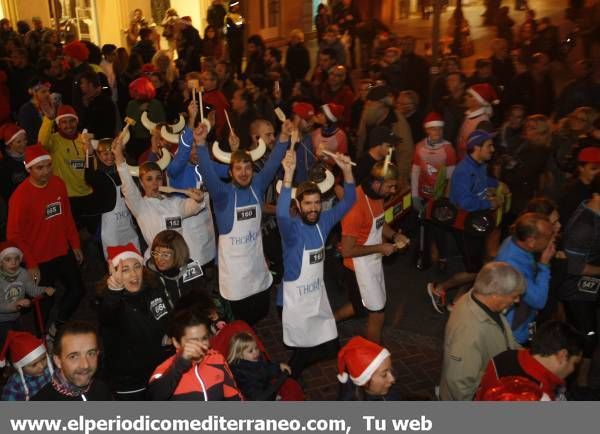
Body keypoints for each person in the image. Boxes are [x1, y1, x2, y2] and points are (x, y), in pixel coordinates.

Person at [196, 118, 288, 325]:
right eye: (238, 168)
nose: (244, 173)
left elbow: (273, 162)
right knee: (239, 321)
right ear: (230, 172)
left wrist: (283, 139)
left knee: (259, 314)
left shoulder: (257, 186)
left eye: (248, 167)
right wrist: (201, 145)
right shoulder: (222, 195)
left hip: (256, 267)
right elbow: (208, 173)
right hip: (234, 275)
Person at [277, 148, 356, 377]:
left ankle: (289, 375)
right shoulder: (291, 229)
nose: (313, 208)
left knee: (329, 346)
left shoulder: (324, 222)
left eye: (316, 203)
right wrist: (289, 174)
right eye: (308, 204)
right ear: (299, 206)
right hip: (292, 303)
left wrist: (347, 170)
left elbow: (350, 199)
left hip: (315, 299)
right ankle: (288, 379)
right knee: (305, 350)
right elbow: (281, 214)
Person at [7, 145, 84, 336]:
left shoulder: (58, 184)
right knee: (44, 303)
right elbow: (14, 236)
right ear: (29, 169)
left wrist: (74, 244)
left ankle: (56, 327)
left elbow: (67, 216)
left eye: (48, 165)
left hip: (62, 250)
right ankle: (39, 338)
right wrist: (31, 264)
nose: (46, 171)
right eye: (39, 168)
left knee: (78, 290)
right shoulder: (19, 197)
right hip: (39, 259)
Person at [427, 130, 503, 313]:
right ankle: (439, 289)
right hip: (464, 226)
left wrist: (497, 184)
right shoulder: (464, 171)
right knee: (475, 271)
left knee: (476, 265)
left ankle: (457, 301)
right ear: (476, 147)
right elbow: (463, 202)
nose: (492, 149)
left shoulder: (480, 165)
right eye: (489, 146)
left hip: (475, 223)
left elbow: (483, 182)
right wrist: (489, 203)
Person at [335, 160, 408, 344]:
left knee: (359, 306)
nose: (393, 191)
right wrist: (380, 248)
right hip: (357, 268)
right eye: (390, 186)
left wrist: (394, 236)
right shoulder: (356, 207)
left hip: (371, 262)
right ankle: (374, 358)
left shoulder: (376, 195)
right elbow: (347, 251)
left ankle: (329, 321)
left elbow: (379, 223)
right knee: (377, 313)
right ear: (377, 183)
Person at [439, 261, 525, 400]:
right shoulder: (469, 331)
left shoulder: (479, 299)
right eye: (514, 296)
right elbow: (461, 385)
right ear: (496, 295)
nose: (517, 301)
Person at [112, 134, 205, 256]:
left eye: (158, 178)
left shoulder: (174, 202)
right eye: (149, 179)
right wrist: (119, 156)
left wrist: (199, 198)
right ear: (141, 182)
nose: (155, 183)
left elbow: (193, 207)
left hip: (180, 259)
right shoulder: (140, 206)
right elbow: (128, 186)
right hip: (156, 262)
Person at [99, 243, 171, 400]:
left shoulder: (153, 289)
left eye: (137, 266)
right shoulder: (111, 300)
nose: (134, 274)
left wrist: (168, 336)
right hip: (130, 382)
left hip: (160, 370)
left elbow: (166, 319)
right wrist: (114, 291)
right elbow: (107, 315)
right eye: (125, 270)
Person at [558, 174, 600, 387]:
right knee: (587, 334)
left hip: (590, 285)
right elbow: (575, 267)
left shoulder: (593, 210)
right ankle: (579, 382)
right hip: (577, 289)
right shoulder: (584, 227)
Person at [148, 309, 242, 400]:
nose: (201, 345)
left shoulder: (216, 359)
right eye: (193, 341)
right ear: (176, 342)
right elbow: (154, 398)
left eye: (204, 338)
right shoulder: (165, 369)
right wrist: (179, 365)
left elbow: (234, 396)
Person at [476, 321, 584, 401]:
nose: (573, 370)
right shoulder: (539, 395)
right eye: (575, 363)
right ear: (562, 355)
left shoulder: (504, 356)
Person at [496, 213, 556, 344]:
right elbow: (539, 301)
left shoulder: (515, 241)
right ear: (531, 241)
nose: (552, 239)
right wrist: (544, 264)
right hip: (516, 331)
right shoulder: (512, 266)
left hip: (527, 319)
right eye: (548, 237)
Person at [411, 113, 457, 271]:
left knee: (440, 230)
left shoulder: (448, 149)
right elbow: (415, 172)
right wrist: (414, 195)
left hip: (440, 197)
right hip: (423, 194)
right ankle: (425, 256)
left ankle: (443, 257)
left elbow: (451, 176)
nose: (437, 133)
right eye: (433, 129)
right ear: (427, 131)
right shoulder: (419, 147)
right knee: (425, 226)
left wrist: (447, 199)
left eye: (440, 129)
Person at [83, 138, 141, 259]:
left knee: (134, 255)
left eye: (112, 153)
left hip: (128, 224)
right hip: (110, 228)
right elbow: (89, 177)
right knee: (114, 258)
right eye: (105, 154)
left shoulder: (124, 172)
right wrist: (88, 154)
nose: (109, 157)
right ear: (98, 155)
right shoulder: (99, 176)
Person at [32, 320, 112, 400]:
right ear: (58, 361)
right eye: (73, 356)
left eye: (91, 353)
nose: (85, 365)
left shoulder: (102, 390)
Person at [0, 241, 55, 346]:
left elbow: (32, 290)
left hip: (16, 317)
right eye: (8, 260)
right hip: (1, 320)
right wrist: (15, 305)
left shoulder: (23, 274)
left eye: (16, 259)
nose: (13, 263)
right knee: (10, 344)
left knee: (21, 343)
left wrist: (44, 289)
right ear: (1, 262)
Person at [146, 230, 213, 311]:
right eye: (156, 253)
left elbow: (203, 296)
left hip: (192, 317)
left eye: (165, 255)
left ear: (178, 254)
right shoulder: (150, 274)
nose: (159, 259)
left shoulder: (191, 267)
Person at [227, 331, 292, 401]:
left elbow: (266, 368)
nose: (256, 352)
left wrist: (279, 366)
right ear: (239, 355)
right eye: (250, 351)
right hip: (257, 396)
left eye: (256, 348)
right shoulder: (240, 372)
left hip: (266, 388)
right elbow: (250, 391)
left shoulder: (255, 359)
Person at [336, 336, 398, 400]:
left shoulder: (389, 390)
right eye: (384, 375)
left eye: (390, 369)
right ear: (364, 381)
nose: (393, 379)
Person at [0, 330, 53, 401]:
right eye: (34, 365)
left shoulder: (50, 368)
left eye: (43, 359)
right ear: (20, 367)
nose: (42, 366)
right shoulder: (14, 386)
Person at [559, 147, 600, 226]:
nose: (599, 172)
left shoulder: (595, 187)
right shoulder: (572, 191)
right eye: (594, 168)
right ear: (581, 168)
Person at [456, 83, 498, 160]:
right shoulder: (468, 116)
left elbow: (482, 152)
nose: (465, 97)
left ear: (479, 101)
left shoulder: (484, 123)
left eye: (470, 96)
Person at [0, 124, 28, 201]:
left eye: (25, 139)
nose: (23, 144)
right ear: (9, 144)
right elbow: (6, 193)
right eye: (18, 142)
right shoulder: (4, 166)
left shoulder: (31, 155)